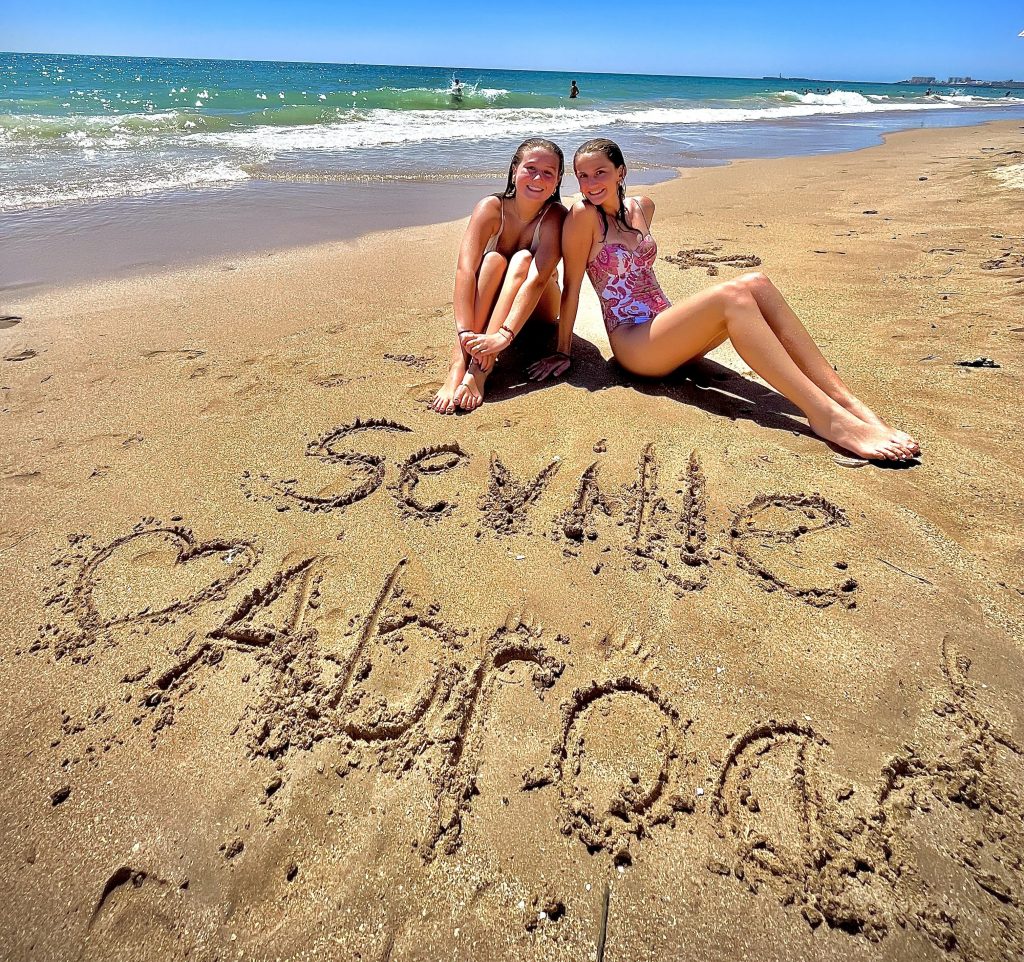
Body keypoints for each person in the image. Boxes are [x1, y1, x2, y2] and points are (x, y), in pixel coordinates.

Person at [534, 138, 920, 462]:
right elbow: (572, 286)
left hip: (668, 331)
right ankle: (826, 417)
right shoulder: (583, 217)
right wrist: (563, 349)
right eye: (582, 176)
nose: (590, 184)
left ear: (621, 171)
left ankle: (845, 401)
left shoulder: (642, 207)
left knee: (757, 282)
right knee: (734, 294)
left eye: (600, 172)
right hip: (636, 345)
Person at [430, 138, 568, 413]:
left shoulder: (555, 216)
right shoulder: (491, 209)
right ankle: (460, 363)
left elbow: (539, 279)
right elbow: (465, 271)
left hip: (538, 309)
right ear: (514, 170)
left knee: (522, 260)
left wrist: (502, 339)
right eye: (530, 168)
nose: (538, 178)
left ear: (557, 180)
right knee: (491, 260)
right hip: (494, 310)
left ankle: (480, 368)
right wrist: (464, 333)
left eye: (548, 173)